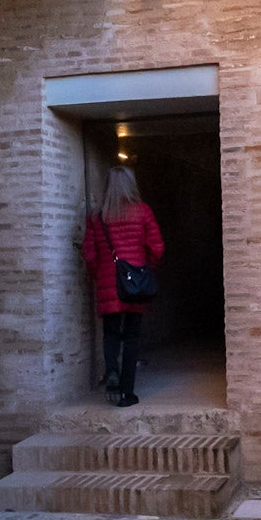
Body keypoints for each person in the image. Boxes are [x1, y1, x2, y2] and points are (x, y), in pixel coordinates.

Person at [82, 166, 164, 407]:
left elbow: (89, 254)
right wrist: (146, 268)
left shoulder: (96, 217)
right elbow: (157, 246)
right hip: (135, 284)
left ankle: (112, 374)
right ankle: (127, 392)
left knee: (111, 334)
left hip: (109, 283)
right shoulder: (142, 211)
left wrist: (99, 274)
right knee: (132, 337)